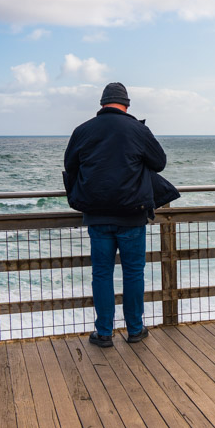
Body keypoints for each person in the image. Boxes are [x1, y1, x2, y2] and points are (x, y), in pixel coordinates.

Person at [63, 82, 168, 347]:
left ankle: (104, 333)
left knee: (101, 274)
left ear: (102, 104)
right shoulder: (138, 129)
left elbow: (69, 165)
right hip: (132, 214)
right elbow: (160, 163)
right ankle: (135, 330)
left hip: (97, 215)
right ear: (127, 104)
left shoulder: (83, 130)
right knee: (133, 273)